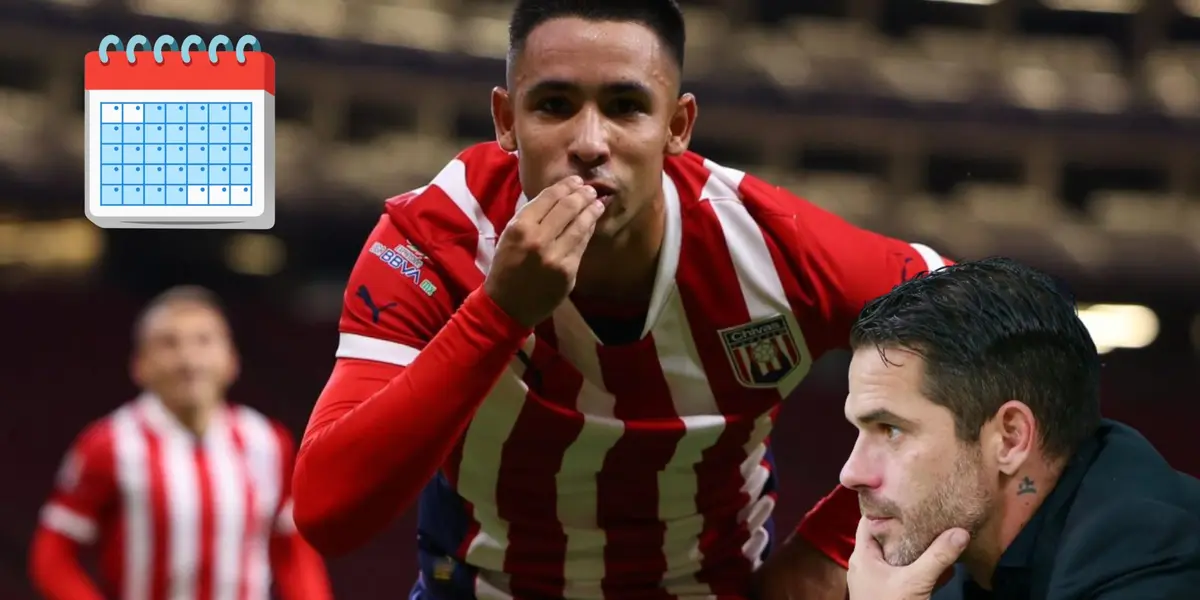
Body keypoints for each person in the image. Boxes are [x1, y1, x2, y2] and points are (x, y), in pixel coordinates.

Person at [291, 1, 954, 598]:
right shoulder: (433, 242)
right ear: (505, 120)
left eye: (625, 106)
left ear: (678, 126)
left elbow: (993, 341)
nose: (588, 143)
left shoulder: (767, 245)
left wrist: (829, 550)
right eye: (553, 105)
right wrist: (498, 314)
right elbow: (329, 512)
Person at [837, 257, 1200, 600]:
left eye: (891, 429)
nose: (851, 473)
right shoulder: (973, 571)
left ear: (1010, 438)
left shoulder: (1157, 555)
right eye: (858, 429)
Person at [30, 286, 332, 600]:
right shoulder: (108, 444)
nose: (188, 360)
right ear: (140, 365)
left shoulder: (268, 442)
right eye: (169, 344)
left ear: (231, 360)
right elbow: (53, 554)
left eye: (203, 341)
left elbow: (292, 550)